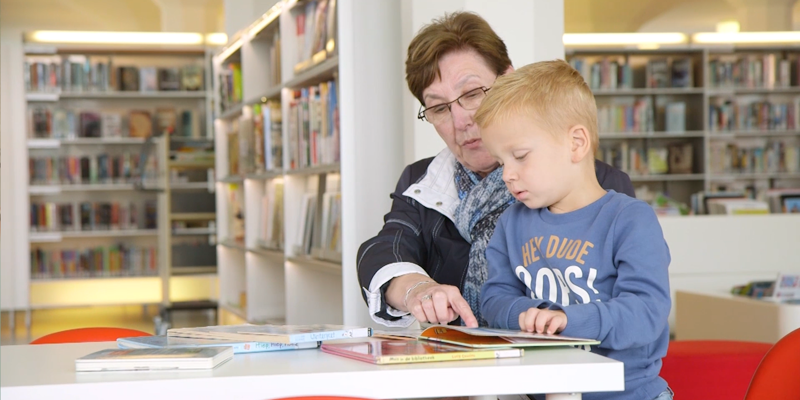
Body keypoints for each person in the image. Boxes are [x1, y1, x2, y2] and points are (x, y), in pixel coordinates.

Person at [356, 11, 635, 328]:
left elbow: (631, 306)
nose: (462, 121)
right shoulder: (422, 181)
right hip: (459, 366)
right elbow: (384, 249)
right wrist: (417, 290)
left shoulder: (600, 184)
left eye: (473, 94)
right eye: (439, 108)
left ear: (507, 80)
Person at [477, 60, 672, 400]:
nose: (507, 174)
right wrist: (528, 315)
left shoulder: (630, 220)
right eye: (501, 162)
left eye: (520, 156)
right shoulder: (511, 223)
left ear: (576, 143)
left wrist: (568, 320)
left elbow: (646, 312)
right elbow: (493, 299)